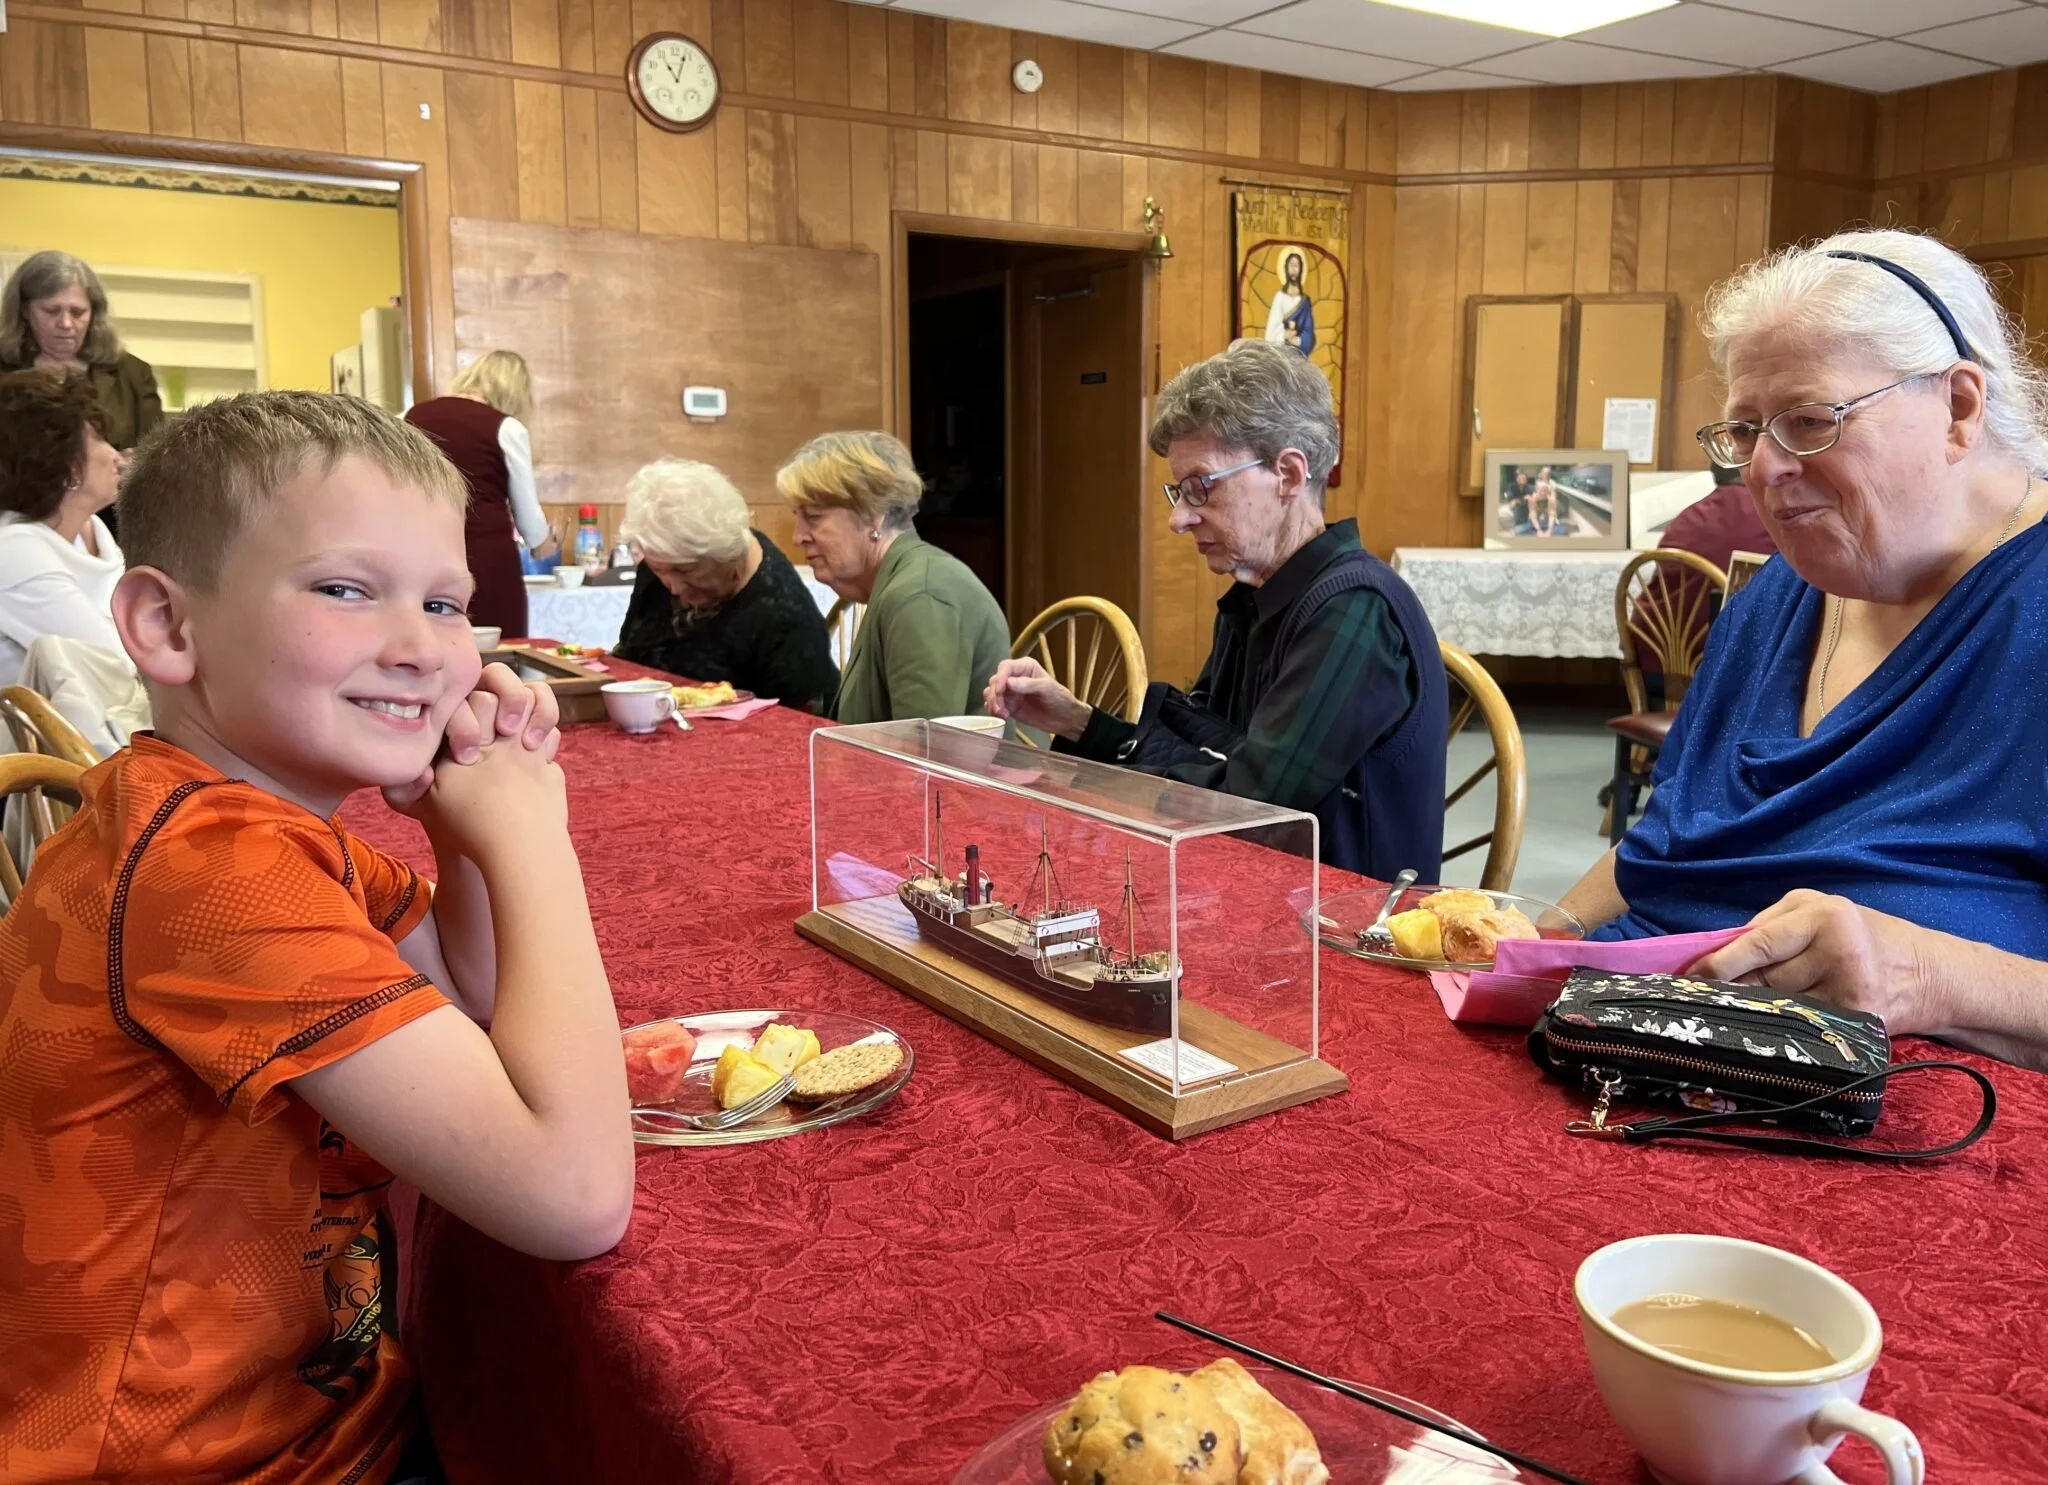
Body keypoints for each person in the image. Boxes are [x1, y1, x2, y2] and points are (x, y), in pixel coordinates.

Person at [0, 391, 633, 1481]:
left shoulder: (236, 818)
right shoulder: (210, 872)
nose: (422, 649)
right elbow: (570, 1195)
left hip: (309, 1405)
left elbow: (466, 1005)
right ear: (165, 626)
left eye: (445, 603)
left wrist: (456, 823)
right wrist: (536, 843)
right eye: (346, 589)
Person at [1558, 228, 2048, 1070]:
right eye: (1745, 430)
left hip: (1919, 1122)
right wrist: (1545, 933)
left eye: (1810, 421)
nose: (1765, 468)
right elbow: (1669, 838)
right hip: (1663, 1060)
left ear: (1960, 407)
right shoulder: (1774, 601)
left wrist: (1931, 976)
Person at [985, 338, 1448, 882]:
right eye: (1177, 492)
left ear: (1289, 475)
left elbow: (1243, 812)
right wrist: (1079, 723)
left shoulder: (1352, 613)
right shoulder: (1256, 592)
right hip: (1254, 894)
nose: (1179, 519)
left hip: (1342, 934)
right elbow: (1205, 758)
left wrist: (1085, 781)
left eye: (1200, 487)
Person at [779, 430, 1009, 724]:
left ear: (874, 514)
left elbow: (924, 753)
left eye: (813, 516)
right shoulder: (893, 580)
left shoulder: (919, 597)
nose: (797, 537)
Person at [613, 457, 837, 709]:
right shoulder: (666, 554)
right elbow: (629, 653)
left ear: (729, 558)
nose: (673, 587)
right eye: (658, 569)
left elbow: (798, 728)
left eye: (685, 570)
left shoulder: (786, 620)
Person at [405, 349, 556, 636]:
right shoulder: (507, 428)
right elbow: (531, 526)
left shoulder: (406, 418)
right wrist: (547, 541)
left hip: (418, 554)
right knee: (497, 656)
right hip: (487, 561)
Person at [0, 369, 127, 685]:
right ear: (69, 467)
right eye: (98, 439)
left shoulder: (90, 532)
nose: (117, 456)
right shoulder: (14, 552)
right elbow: (117, 665)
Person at [0, 250, 163, 453]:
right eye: (51, 311)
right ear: (24, 310)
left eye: (78, 312)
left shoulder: (133, 374)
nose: (66, 323)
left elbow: (158, 459)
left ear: (94, 313)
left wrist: (131, 465)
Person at [1264, 250, 1316, 357]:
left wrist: (1298, 340)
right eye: (1291, 265)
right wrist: (1284, 335)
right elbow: (1270, 333)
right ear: (1286, 269)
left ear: (1301, 270)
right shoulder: (1279, 298)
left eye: (1296, 266)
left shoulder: (1305, 302)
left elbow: (1309, 332)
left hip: (1298, 357)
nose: (1293, 270)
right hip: (1280, 357)